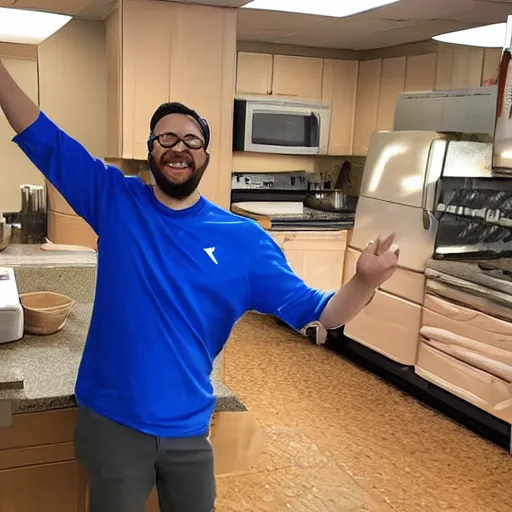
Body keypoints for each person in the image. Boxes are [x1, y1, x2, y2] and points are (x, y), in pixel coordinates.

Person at [0, 58, 398, 512]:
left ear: (205, 156)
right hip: (112, 422)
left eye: (192, 140)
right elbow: (44, 139)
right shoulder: (115, 199)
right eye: (165, 137)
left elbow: (317, 311)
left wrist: (363, 280)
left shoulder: (244, 240)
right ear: (150, 149)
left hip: (189, 427)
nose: (178, 147)